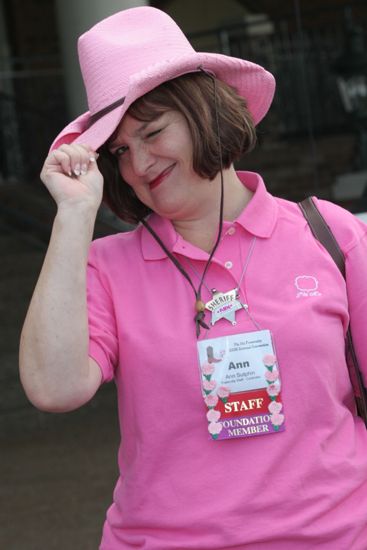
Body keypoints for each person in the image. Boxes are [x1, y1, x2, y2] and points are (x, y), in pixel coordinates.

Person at [19, 6, 367, 550]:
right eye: (120, 151)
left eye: (153, 132)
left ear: (202, 111)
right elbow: (54, 388)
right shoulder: (107, 266)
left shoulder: (332, 236)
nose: (138, 166)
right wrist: (73, 215)